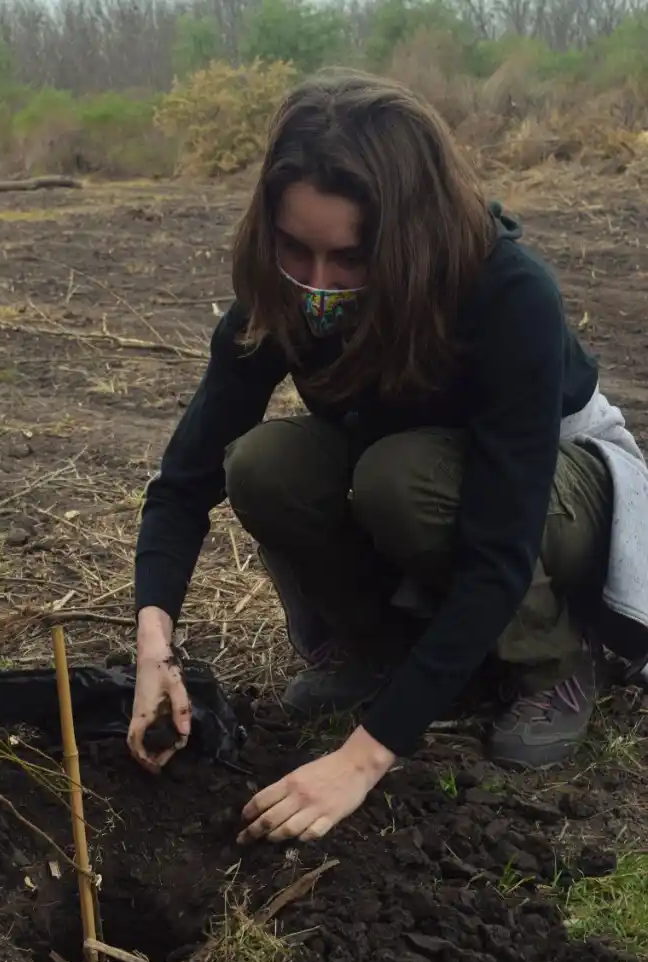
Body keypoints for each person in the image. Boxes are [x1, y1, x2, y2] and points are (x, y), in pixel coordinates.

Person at [127, 70, 648, 845]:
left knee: (400, 479)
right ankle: (385, 652)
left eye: (349, 257)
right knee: (264, 463)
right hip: (418, 474)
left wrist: (364, 757)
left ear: (407, 232)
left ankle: (551, 661)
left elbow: (500, 551)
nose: (317, 283)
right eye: (294, 248)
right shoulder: (281, 297)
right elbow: (185, 480)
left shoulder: (506, 294)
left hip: (561, 489)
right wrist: (152, 644)